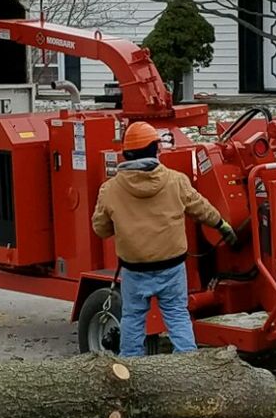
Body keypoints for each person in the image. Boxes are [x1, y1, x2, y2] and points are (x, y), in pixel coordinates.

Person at [91, 120, 238, 357]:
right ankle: (188, 369)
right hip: (171, 267)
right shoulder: (176, 181)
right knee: (177, 316)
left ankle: (130, 373)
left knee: (132, 319)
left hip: (134, 269)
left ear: (126, 153)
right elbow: (201, 209)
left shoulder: (110, 190)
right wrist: (222, 225)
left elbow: (101, 229)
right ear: (156, 150)